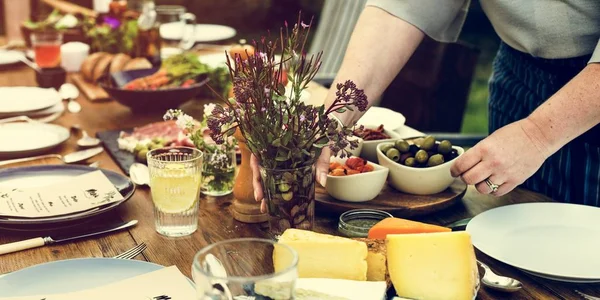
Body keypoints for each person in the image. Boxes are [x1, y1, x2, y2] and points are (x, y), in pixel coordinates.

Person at [252, 0, 600, 209]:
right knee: (516, 240)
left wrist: (537, 134)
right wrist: (330, 120)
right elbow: (402, 8)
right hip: (521, 74)